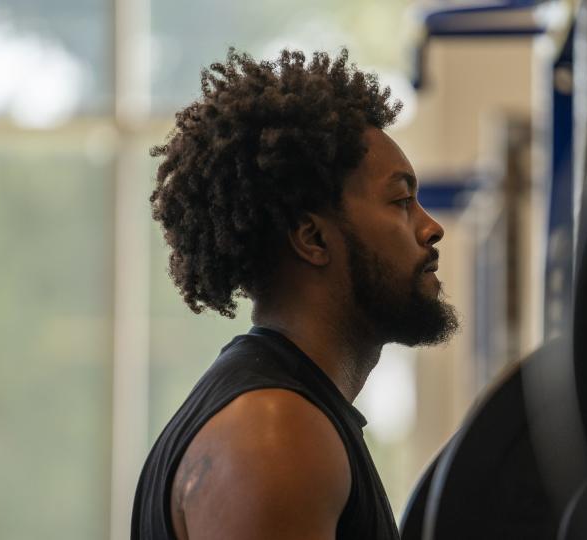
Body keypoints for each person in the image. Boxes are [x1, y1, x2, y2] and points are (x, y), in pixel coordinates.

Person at [131, 48, 459, 540]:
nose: (431, 228)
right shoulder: (275, 434)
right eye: (401, 201)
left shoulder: (288, 415)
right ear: (312, 238)